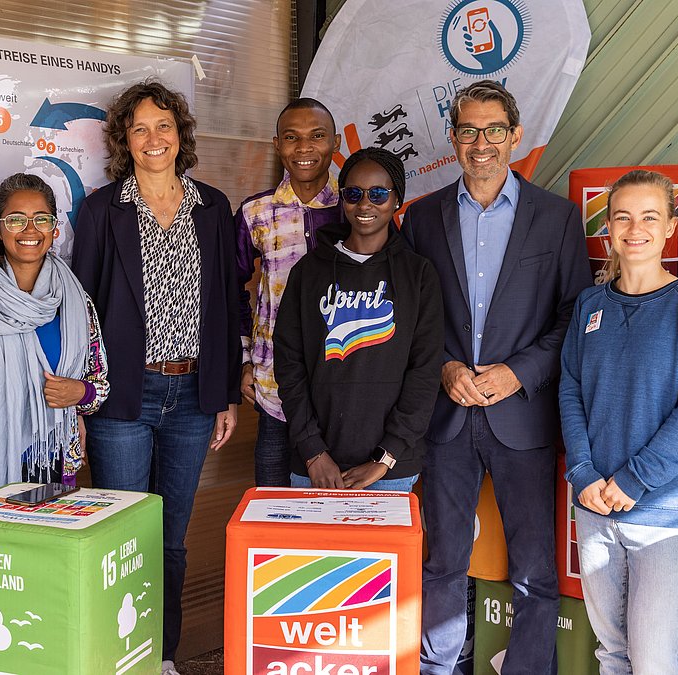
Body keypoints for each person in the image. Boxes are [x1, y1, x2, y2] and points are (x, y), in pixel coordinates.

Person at [402, 79, 592, 674]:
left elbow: (576, 315)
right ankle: (438, 667)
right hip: (448, 416)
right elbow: (406, 317)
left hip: (524, 416)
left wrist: (519, 373)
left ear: (515, 137)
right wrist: (443, 368)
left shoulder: (557, 218)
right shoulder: (423, 218)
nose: (480, 143)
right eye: (467, 131)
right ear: (453, 138)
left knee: (535, 570)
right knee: (442, 561)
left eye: (493, 131)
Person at [70, 78, 240, 675]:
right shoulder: (101, 209)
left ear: (180, 134)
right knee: (121, 535)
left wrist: (224, 393)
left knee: (169, 538)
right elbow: (83, 308)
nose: (152, 138)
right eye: (139, 128)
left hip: (193, 394)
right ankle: (118, 656)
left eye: (163, 126)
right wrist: (82, 398)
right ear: (123, 139)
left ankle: (161, 655)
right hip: (123, 397)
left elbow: (226, 304)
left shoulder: (213, 208)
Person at [559, 169, 678, 673]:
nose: (635, 228)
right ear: (608, 227)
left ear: (670, 226)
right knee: (612, 654)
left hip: (662, 513)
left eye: (650, 216)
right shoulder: (591, 303)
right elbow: (570, 390)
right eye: (623, 216)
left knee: (653, 661)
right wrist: (584, 475)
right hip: (595, 508)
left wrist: (634, 479)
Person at [273, 147, 443, 492]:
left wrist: (386, 458)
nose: (365, 205)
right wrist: (312, 452)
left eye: (378, 194)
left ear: (397, 200)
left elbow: (424, 372)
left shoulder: (418, 274)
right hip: (314, 468)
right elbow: (289, 366)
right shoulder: (308, 272)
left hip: (391, 472)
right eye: (353, 194)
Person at [0, 173, 108, 496]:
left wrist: (79, 393)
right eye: (16, 220)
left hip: (50, 459)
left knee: (42, 548)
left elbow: (101, 386)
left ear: (54, 229)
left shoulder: (75, 302)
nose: (30, 230)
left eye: (41, 219)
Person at [236, 98, 342, 487]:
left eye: (317, 137)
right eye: (292, 138)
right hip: (274, 387)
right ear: (277, 144)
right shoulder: (256, 212)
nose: (304, 148)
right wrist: (244, 359)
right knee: (276, 508)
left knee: (339, 515)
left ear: (334, 143)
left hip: (343, 387)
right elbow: (232, 291)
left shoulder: (357, 208)